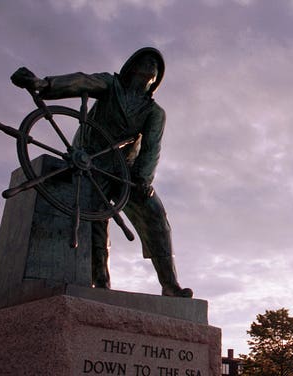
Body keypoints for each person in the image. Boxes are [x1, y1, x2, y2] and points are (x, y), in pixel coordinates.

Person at [10, 47, 193, 297]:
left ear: (156, 79)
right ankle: (101, 282)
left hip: (123, 170)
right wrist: (43, 84)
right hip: (89, 161)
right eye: (146, 61)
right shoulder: (110, 84)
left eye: (156, 65)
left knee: (155, 213)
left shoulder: (154, 113)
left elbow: (151, 149)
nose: (152, 66)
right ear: (132, 66)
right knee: (95, 216)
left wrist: (142, 179)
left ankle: (170, 285)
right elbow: (81, 81)